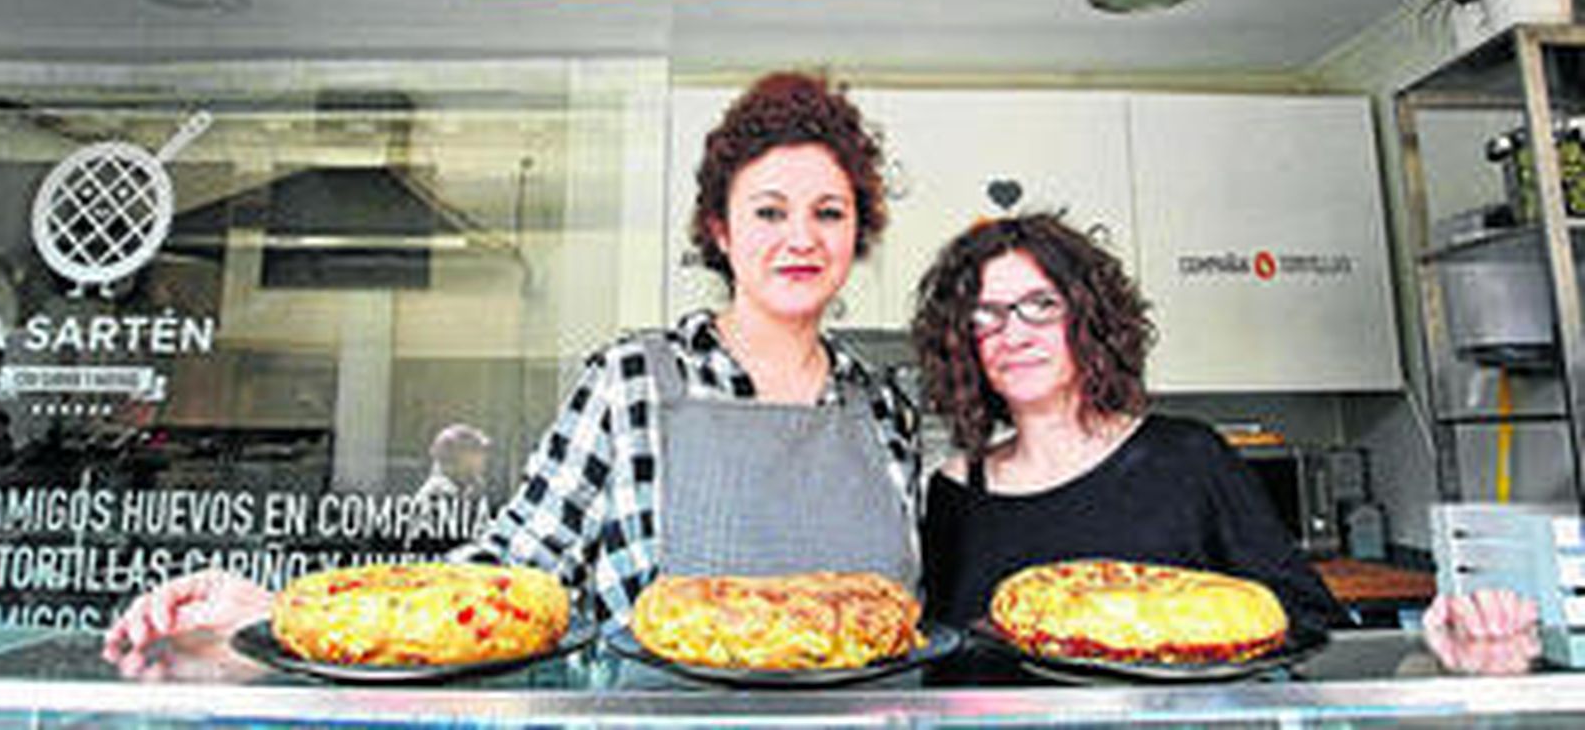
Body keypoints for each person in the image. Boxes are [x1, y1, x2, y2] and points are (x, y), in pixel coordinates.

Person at [104, 71, 918, 668]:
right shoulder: (635, 380)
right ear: (720, 229)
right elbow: (509, 575)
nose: (800, 239)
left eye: (829, 212)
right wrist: (275, 610)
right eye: (768, 211)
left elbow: (905, 624)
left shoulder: (885, 410)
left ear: (859, 231)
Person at [912, 212, 1343, 637]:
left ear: (1090, 318)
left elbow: (1308, 619)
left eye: (1042, 304)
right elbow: (944, 656)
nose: (1014, 335)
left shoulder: (1187, 459)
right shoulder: (954, 490)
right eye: (985, 314)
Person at [411, 423, 492, 508]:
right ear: (460, 455)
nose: (484, 459)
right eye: (476, 451)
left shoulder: (471, 490)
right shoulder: (437, 495)